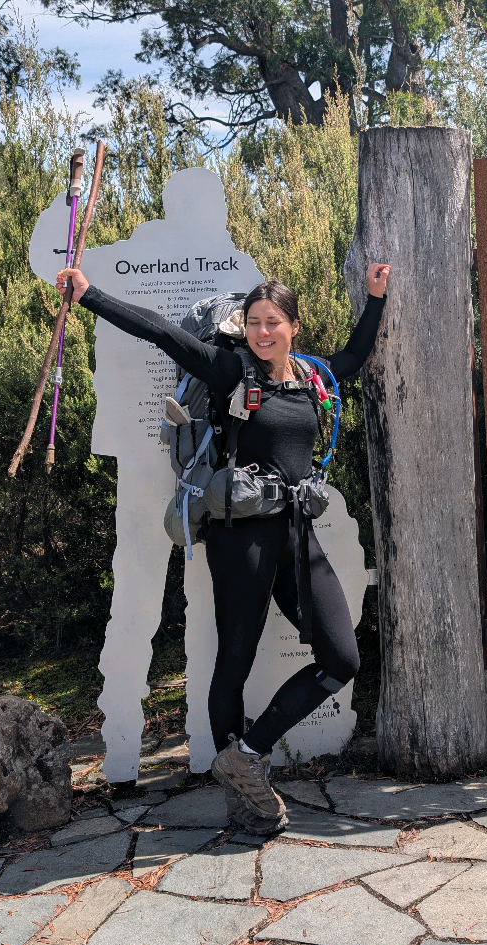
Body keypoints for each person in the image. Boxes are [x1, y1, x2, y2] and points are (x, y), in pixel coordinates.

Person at [57, 262, 391, 833]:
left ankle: (247, 756)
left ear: (293, 327)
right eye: (255, 323)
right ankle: (245, 799)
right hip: (242, 539)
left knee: (342, 658)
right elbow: (163, 332)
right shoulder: (230, 371)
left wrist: (375, 299)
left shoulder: (311, 377)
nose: (263, 333)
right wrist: (90, 297)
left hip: (294, 533)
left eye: (273, 323)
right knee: (233, 662)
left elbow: (354, 358)